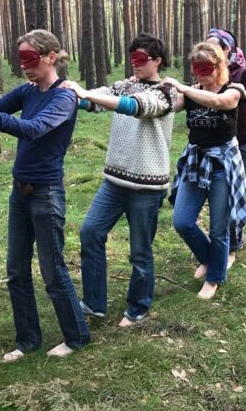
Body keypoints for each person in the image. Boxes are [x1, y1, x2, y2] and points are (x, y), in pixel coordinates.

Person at [0, 29, 90, 362]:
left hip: (46, 195)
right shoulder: (26, 91)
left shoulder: (64, 97)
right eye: (21, 60)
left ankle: (77, 336)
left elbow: (35, 128)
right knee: (16, 271)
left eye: (30, 59)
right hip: (20, 194)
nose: (24, 67)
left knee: (53, 271)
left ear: (51, 57)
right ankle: (28, 340)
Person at [62, 34, 178, 327]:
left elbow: (134, 106)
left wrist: (88, 95)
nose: (135, 65)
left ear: (157, 61)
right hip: (114, 181)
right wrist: (70, 94)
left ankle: (138, 307)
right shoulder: (125, 84)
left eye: (141, 59)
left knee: (140, 251)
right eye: (133, 59)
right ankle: (94, 303)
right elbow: (99, 100)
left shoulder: (168, 92)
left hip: (147, 188)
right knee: (90, 232)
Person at [164, 43, 246, 300]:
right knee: (182, 221)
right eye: (196, 68)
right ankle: (210, 259)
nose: (200, 74)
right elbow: (169, 105)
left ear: (218, 67)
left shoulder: (232, 90)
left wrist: (184, 88)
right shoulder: (190, 93)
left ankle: (214, 278)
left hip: (223, 164)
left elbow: (219, 102)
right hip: (196, 161)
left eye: (206, 68)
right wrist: (153, 86)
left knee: (219, 228)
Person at [205, 28, 246, 266]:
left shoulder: (243, 73)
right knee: (218, 201)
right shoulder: (206, 72)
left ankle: (232, 247)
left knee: (236, 197)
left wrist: (244, 93)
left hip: (242, 146)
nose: (208, 51)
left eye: (214, 46)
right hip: (212, 148)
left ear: (227, 49)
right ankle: (218, 247)